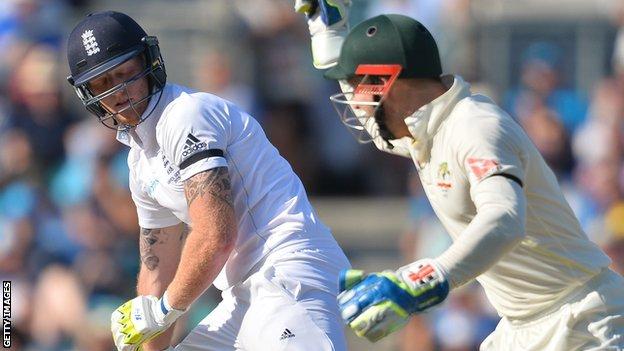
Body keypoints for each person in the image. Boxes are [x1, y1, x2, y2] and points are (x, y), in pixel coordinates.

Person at [296, 3, 624, 350]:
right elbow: (371, 115)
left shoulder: (475, 126)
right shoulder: (421, 134)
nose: (356, 104)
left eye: (361, 87)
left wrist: (419, 281)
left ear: (388, 82)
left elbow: (505, 217)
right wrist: (326, 27)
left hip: (582, 318)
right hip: (520, 327)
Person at [65, 10, 350, 351]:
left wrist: (164, 310)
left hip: (288, 271)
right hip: (242, 294)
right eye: (102, 83)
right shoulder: (140, 161)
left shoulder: (186, 114)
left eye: (125, 72)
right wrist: (148, 335)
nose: (118, 92)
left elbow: (216, 235)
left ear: (147, 62)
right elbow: (159, 267)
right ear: (88, 94)